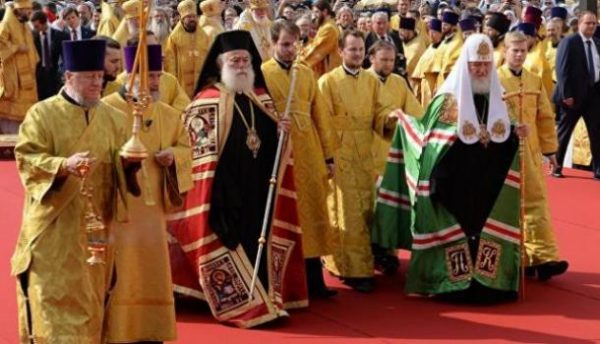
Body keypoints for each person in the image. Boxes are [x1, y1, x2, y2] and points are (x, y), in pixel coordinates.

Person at [167, 30, 308, 328]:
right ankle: (242, 301)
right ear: (220, 64)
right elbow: (197, 159)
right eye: (234, 60)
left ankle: (266, 294)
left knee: (259, 235)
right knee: (231, 238)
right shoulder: (205, 102)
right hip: (223, 191)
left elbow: (271, 144)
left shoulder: (261, 98)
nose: (241, 65)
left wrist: (280, 130)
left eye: (245, 59)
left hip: (257, 186)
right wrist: (217, 185)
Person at [374, 34, 524, 302]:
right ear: (465, 65)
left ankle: (488, 282)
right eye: (475, 65)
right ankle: (448, 282)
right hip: (454, 182)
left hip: (487, 184)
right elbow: (431, 140)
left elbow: (505, 136)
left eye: (485, 65)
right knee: (458, 227)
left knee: (483, 226)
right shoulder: (446, 100)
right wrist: (408, 124)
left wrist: (514, 133)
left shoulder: (500, 100)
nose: (480, 70)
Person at [12, 39, 136, 343]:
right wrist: (63, 165)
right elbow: (26, 158)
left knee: (93, 303)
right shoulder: (41, 114)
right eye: (89, 77)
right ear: (69, 77)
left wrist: (131, 166)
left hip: (98, 235)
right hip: (56, 229)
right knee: (54, 307)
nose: (98, 83)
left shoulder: (116, 118)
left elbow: (125, 175)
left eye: (99, 75)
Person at [101, 43, 192, 343]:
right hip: (121, 204)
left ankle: (152, 330)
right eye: (149, 76)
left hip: (154, 210)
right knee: (123, 269)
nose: (155, 83)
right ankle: (119, 330)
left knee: (152, 268)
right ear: (131, 75)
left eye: (158, 75)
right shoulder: (108, 109)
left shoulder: (167, 113)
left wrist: (173, 157)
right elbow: (99, 155)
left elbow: (186, 148)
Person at [261, 20, 338, 299]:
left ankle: (315, 281)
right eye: (284, 44)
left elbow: (321, 115)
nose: (290, 50)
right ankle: (286, 282)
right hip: (280, 152)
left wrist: (328, 155)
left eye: (294, 44)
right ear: (272, 44)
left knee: (313, 213)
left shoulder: (305, 73)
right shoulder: (262, 74)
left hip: (310, 152)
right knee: (285, 214)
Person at [319, 30, 395, 293]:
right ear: (340, 51)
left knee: (365, 210)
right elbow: (322, 120)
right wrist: (328, 155)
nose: (357, 54)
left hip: (365, 151)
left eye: (361, 50)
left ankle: (360, 262)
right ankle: (351, 269)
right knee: (345, 212)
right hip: (339, 152)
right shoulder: (327, 81)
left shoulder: (371, 81)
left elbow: (380, 111)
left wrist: (390, 119)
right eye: (352, 50)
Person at [498, 31, 569, 280]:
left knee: (536, 202)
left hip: (530, 150)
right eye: (514, 50)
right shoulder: (495, 80)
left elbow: (545, 117)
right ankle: (519, 259)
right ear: (504, 51)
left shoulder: (534, 80)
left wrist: (550, 150)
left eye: (523, 51)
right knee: (509, 205)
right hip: (502, 154)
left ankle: (545, 257)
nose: (519, 55)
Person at [367, 40, 423, 275]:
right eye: (384, 60)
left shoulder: (399, 82)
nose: (389, 64)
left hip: (394, 152)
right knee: (369, 205)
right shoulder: (364, 80)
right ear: (372, 58)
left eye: (391, 60)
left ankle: (387, 252)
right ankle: (370, 251)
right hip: (368, 150)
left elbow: (416, 113)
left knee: (389, 205)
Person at [553, 11, 600, 180]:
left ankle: (598, 170)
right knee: (564, 132)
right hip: (572, 96)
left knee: (596, 133)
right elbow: (562, 69)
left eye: (594, 23)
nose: (592, 26)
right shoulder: (569, 42)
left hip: (593, 96)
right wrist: (566, 94)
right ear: (579, 24)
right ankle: (556, 166)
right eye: (588, 23)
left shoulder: (596, 43)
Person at [118, 32, 191, 111]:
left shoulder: (170, 80)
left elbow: (183, 107)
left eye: (156, 47)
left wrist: (166, 116)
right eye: (150, 48)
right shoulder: (119, 82)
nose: (156, 52)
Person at [0, 0, 38, 135]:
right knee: (12, 124)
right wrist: (16, 48)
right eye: (28, 10)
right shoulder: (6, 24)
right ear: (19, 9)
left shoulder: (25, 25)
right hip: (14, 78)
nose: (30, 12)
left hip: (27, 78)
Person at [164, 0, 209, 98]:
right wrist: (173, 84)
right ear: (182, 19)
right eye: (188, 17)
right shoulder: (174, 38)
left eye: (193, 16)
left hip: (201, 82)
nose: (192, 19)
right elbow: (170, 62)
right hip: (182, 82)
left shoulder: (204, 36)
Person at [31, 10, 68, 100]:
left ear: (44, 23)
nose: (35, 29)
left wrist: (65, 72)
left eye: (37, 26)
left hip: (54, 75)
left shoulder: (60, 36)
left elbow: (65, 57)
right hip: (38, 76)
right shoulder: (33, 37)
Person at [300, 0, 341, 77]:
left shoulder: (328, 28)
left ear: (325, 12)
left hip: (329, 74)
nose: (314, 16)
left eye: (316, 12)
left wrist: (298, 60)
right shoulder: (325, 26)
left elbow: (316, 50)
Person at [363, 11, 408, 78]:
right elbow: (365, 61)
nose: (382, 26)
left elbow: (401, 55)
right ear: (372, 24)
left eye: (384, 23)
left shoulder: (395, 36)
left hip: (395, 77)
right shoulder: (367, 39)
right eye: (379, 23)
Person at [411, 18, 443, 107]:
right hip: (425, 92)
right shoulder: (428, 50)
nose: (431, 35)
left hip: (438, 92)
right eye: (430, 32)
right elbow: (417, 77)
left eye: (435, 32)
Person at [434, 10, 463, 87]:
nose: (443, 27)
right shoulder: (444, 40)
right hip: (439, 81)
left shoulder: (457, 42)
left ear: (453, 26)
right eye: (442, 24)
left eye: (446, 25)